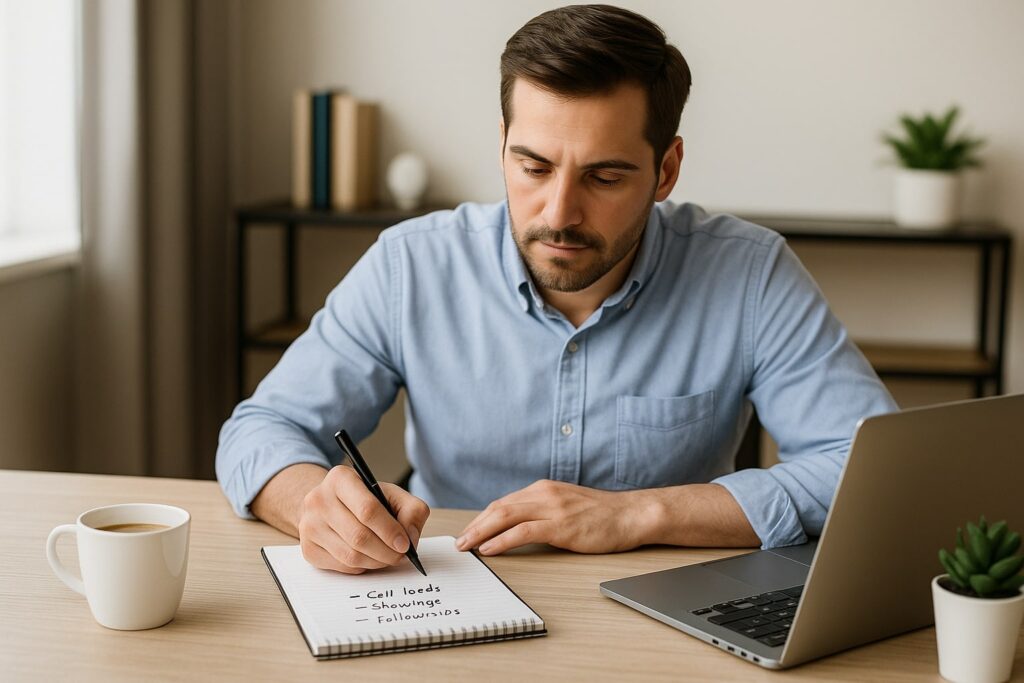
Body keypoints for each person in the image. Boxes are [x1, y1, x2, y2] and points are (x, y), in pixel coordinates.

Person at [217, 4, 896, 574]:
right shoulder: (411, 265)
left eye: (604, 177)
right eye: (533, 166)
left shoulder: (749, 273)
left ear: (666, 170)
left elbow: (873, 469)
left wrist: (638, 512)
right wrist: (314, 502)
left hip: (663, 615)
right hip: (445, 591)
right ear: (503, 144)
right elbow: (261, 431)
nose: (559, 213)